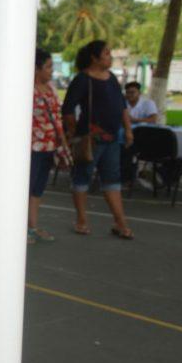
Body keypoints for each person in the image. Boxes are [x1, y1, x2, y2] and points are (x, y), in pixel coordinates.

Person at [61, 40, 134, 239]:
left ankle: (120, 222)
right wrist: (75, 131)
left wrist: (127, 130)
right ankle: (82, 220)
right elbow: (67, 109)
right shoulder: (82, 79)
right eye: (107, 54)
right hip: (90, 139)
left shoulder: (111, 79)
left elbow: (122, 107)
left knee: (112, 180)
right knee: (82, 177)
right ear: (94, 57)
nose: (110, 57)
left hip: (112, 139)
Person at [28, 49, 67, 244]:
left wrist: (62, 142)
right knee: (26, 188)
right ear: (36, 68)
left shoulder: (50, 88)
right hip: (32, 148)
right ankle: (21, 229)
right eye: (48, 67)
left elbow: (57, 116)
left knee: (37, 189)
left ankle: (32, 227)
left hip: (50, 146)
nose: (52, 71)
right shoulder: (25, 89)